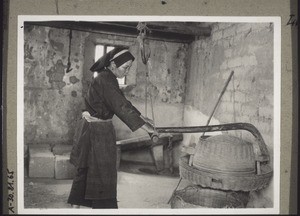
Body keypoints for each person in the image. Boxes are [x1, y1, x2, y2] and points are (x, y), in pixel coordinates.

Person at [67, 47, 156, 209]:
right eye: (125, 67)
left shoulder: (108, 78)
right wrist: (146, 128)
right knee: (102, 171)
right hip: (96, 131)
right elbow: (120, 106)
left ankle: (76, 205)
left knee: (88, 168)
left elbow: (123, 102)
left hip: (95, 129)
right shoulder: (105, 79)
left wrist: (143, 118)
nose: (127, 72)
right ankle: (101, 208)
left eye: (129, 68)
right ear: (113, 64)